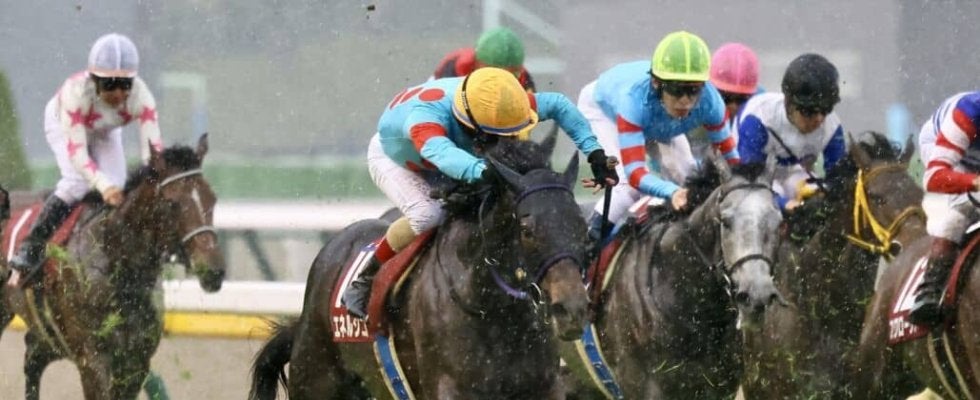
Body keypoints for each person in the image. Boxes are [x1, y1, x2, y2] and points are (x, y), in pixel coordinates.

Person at [342, 67, 618, 318]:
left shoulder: (498, 104)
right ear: (472, 125)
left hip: (452, 147)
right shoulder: (425, 120)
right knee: (428, 214)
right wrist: (482, 172)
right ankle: (365, 277)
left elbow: (559, 105)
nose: (503, 141)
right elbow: (442, 155)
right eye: (496, 135)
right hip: (400, 158)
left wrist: (594, 152)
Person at [7, 33, 163, 287]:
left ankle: (108, 248)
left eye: (125, 85)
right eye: (110, 84)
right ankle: (30, 247)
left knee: (119, 184)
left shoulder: (142, 98)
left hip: (105, 130)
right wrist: (103, 186)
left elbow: (153, 152)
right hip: (63, 124)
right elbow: (79, 158)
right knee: (77, 183)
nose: (119, 93)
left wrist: (154, 178)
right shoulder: (75, 94)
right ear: (94, 81)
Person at [578, 30, 738, 240]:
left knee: (687, 178)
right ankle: (589, 246)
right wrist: (670, 192)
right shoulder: (633, 101)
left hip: (658, 118)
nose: (685, 101)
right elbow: (635, 174)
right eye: (677, 89)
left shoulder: (711, 102)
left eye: (693, 90)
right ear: (656, 82)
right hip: (604, 112)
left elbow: (733, 163)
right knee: (626, 187)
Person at [734, 53, 845, 211]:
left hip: (795, 173)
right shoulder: (759, 119)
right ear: (788, 103)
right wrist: (784, 204)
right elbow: (751, 184)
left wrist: (822, 195)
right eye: (809, 111)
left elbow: (839, 180)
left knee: (814, 194)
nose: (819, 119)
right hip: (751, 175)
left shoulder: (832, 126)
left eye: (825, 109)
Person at [910, 91, 980, 326]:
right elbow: (933, 178)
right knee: (963, 209)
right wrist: (974, 182)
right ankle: (929, 290)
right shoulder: (969, 112)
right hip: (944, 149)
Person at [432, 26, 536, 92]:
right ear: (476, 63)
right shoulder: (453, 69)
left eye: (511, 75)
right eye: (491, 73)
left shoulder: (524, 80)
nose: (500, 81)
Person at [710, 42, 761, 129]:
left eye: (741, 100)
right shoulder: (696, 108)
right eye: (725, 98)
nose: (733, 107)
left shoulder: (761, 111)